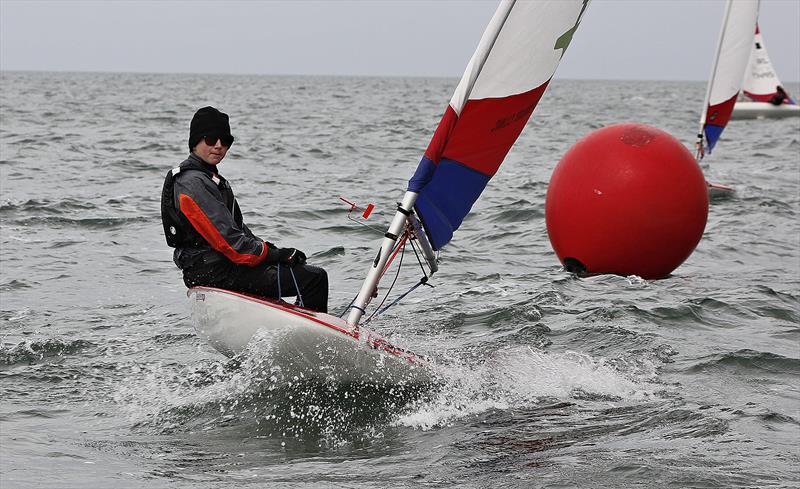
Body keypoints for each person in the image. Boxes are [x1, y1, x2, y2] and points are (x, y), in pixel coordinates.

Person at [160, 106, 328, 312]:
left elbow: (239, 231)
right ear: (195, 142)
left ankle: (297, 325)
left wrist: (274, 251)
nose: (219, 146)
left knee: (299, 269)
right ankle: (314, 339)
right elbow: (231, 243)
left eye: (225, 141)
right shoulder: (192, 182)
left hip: (221, 267)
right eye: (211, 139)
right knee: (314, 278)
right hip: (215, 271)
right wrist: (275, 255)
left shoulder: (211, 180)